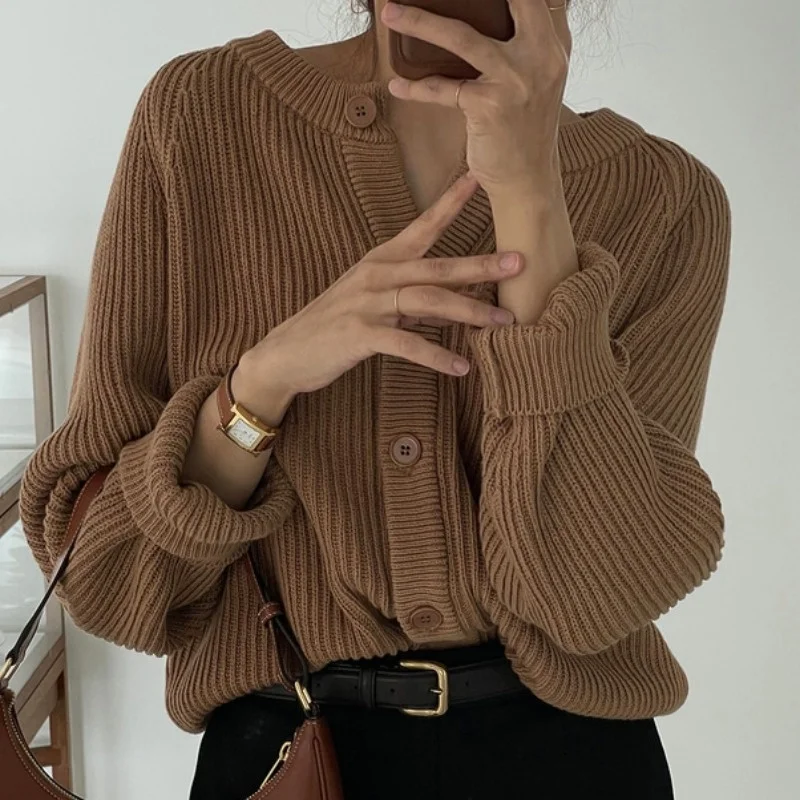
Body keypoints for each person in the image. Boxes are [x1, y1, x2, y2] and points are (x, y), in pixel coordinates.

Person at [19, 0, 731, 797]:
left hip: (574, 760)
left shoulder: (667, 199)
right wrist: (263, 384)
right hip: (286, 754)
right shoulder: (201, 117)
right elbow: (106, 580)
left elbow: (594, 596)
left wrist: (532, 191)